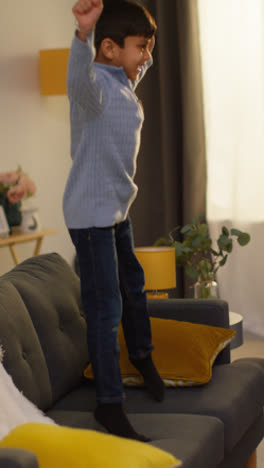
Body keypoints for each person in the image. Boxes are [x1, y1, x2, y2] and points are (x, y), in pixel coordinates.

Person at [63, 0, 164, 442]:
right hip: (90, 216)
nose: (146, 57)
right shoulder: (94, 92)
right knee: (107, 310)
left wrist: (141, 49)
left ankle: (142, 355)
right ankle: (109, 404)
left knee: (134, 285)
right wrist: (83, 36)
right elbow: (77, 78)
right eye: (140, 47)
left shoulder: (125, 80)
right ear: (108, 48)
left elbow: (138, 65)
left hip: (117, 209)